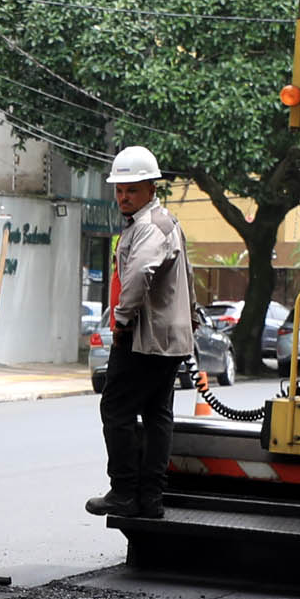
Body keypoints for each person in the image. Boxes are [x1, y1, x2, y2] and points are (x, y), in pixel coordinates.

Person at [89, 145, 192, 521]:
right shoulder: (166, 222)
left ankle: (123, 492)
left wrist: (121, 320)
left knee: (115, 408)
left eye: (131, 190)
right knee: (156, 414)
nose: (123, 197)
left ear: (151, 188)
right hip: (168, 339)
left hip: (145, 339)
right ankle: (150, 499)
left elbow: (137, 276)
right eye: (119, 190)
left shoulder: (149, 226)